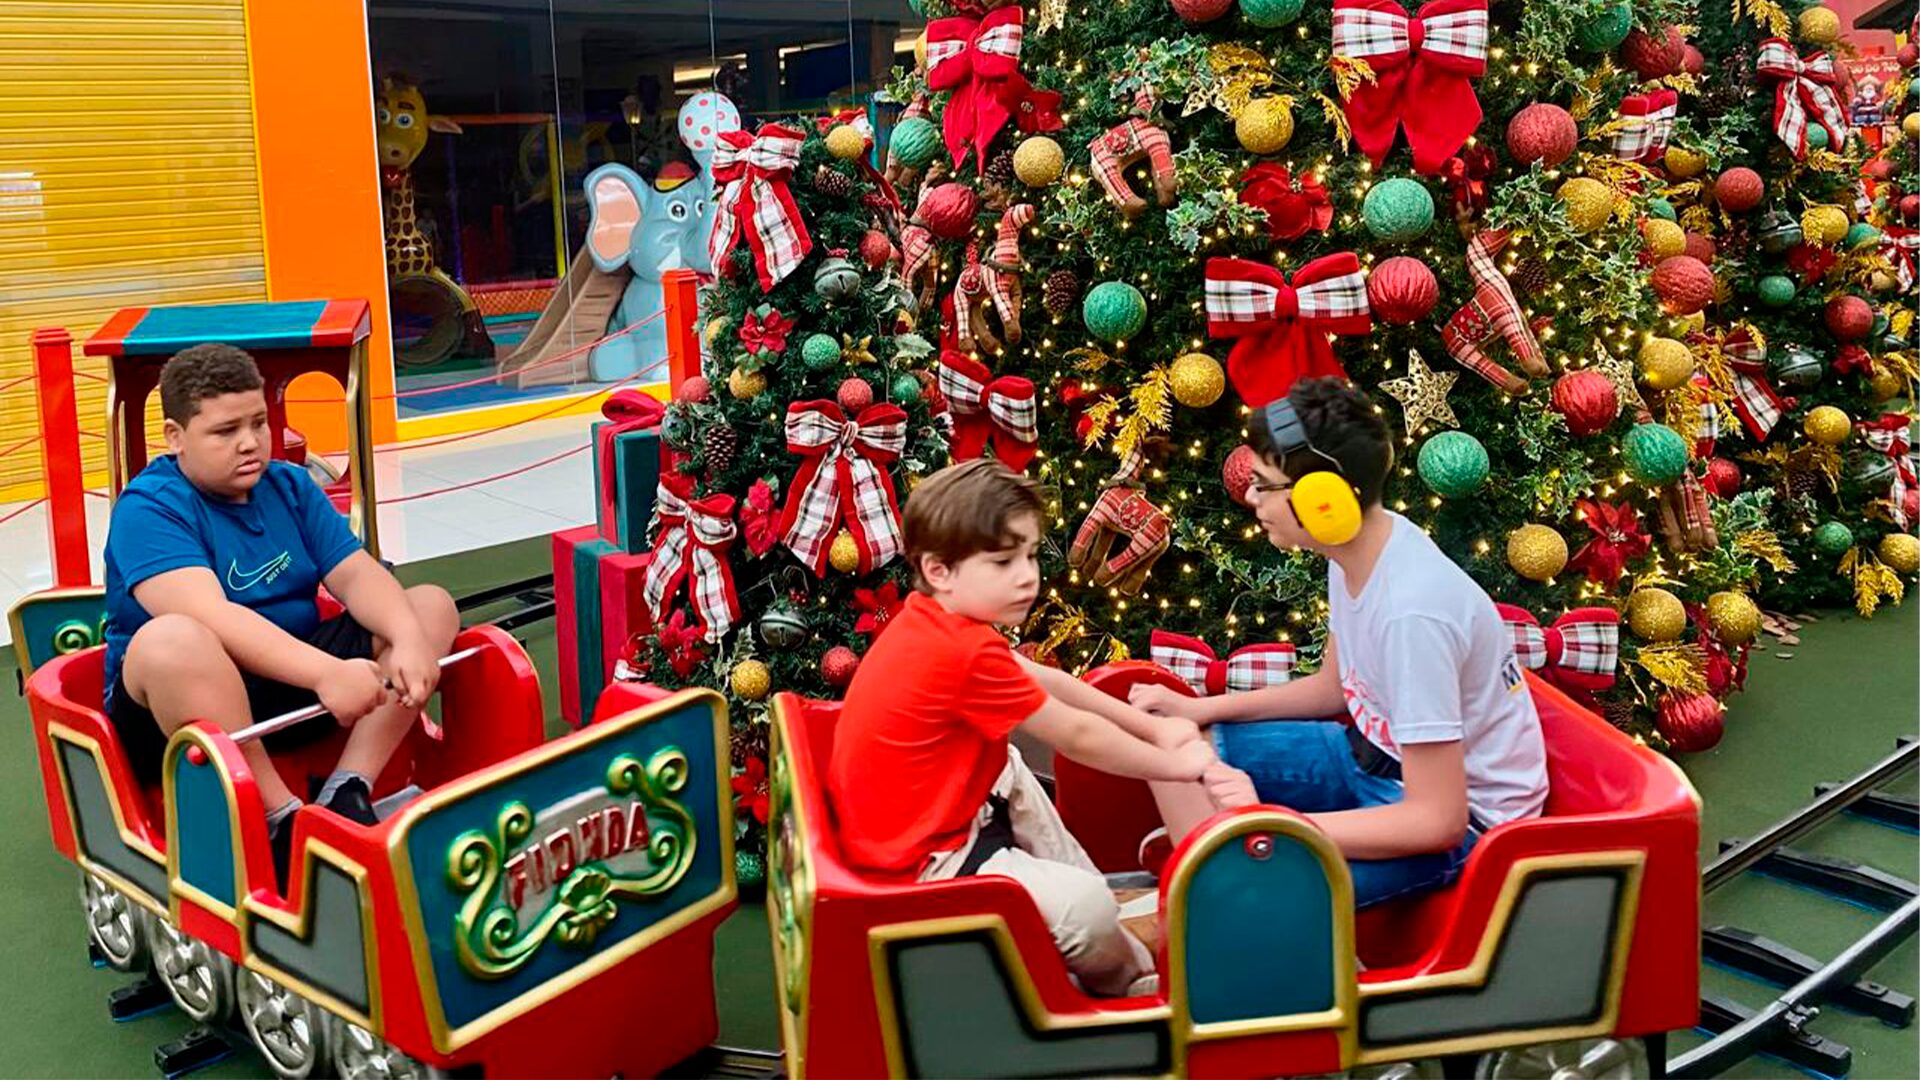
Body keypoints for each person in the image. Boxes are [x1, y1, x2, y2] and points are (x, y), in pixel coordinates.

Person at [1133, 377, 1548, 908]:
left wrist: (1274, 830)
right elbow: (1334, 688)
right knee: (1171, 746)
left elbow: (1438, 820)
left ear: (1324, 500)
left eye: (1265, 484)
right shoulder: (1358, 548)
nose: (1252, 497)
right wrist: (1197, 709)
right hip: (1373, 758)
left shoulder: (1411, 614)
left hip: (1467, 826)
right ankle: (1206, 891)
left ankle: (1223, 907)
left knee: (1259, 898)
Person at [827, 458, 1220, 996]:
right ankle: (1123, 979)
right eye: (1003, 561)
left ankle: (1093, 904)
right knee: (1084, 914)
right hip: (924, 863)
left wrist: (1150, 728)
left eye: (1030, 555)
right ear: (940, 570)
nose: (1027, 576)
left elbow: (1045, 680)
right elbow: (1074, 735)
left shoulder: (940, 618)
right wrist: (1174, 763)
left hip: (931, 821)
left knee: (1009, 767)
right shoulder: (960, 651)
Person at [102, 344, 459, 886]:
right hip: (181, 709)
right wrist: (325, 673)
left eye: (258, 423)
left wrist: (407, 638)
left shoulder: (289, 486)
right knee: (173, 639)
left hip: (287, 683)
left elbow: (356, 575)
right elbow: (211, 617)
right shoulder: (148, 509)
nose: (249, 443)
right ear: (176, 438)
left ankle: (347, 789)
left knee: (428, 605)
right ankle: (279, 818)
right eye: (225, 431)